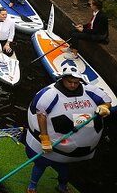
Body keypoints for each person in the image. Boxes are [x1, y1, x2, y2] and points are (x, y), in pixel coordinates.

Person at [25, 64, 112, 193]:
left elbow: (107, 100)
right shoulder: (50, 95)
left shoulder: (90, 90)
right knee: (40, 165)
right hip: (50, 146)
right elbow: (41, 116)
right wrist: (44, 138)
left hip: (70, 153)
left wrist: (105, 107)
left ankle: (62, 187)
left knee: (64, 170)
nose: (72, 85)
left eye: (76, 82)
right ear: (63, 79)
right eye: (70, 82)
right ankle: (32, 186)